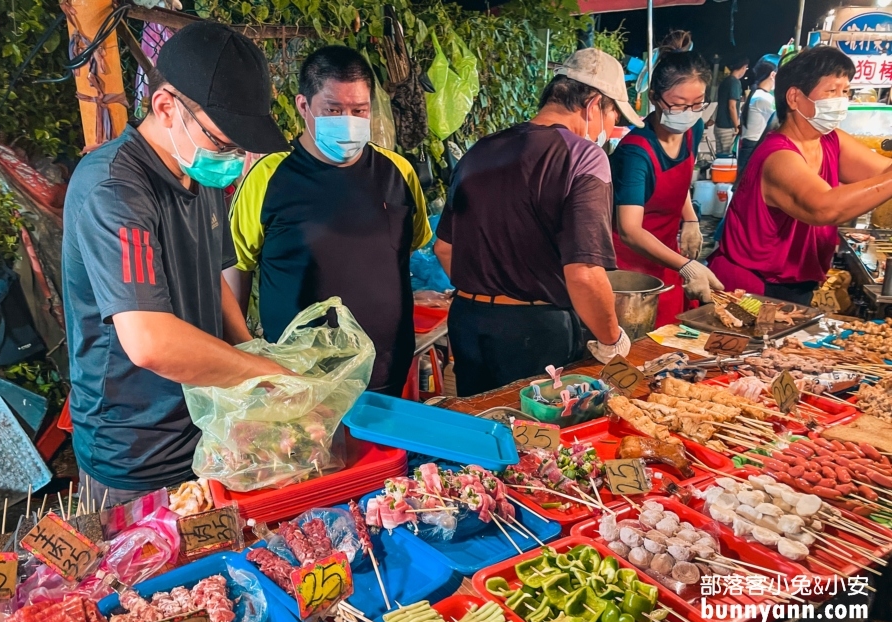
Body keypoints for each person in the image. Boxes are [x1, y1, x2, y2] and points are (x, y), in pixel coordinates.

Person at [62, 22, 291, 502]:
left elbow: (212, 279)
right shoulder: (115, 189)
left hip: (204, 427)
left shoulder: (199, 173)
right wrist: (260, 374)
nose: (233, 158)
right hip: (136, 449)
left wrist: (255, 355)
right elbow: (150, 342)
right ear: (166, 106)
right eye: (223, 141)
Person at [432, 48, 644, 397]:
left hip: (468, 325)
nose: (611, 128)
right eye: (613, 115)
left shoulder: (481, 150)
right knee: (540, 444)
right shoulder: (584, 157)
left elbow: (444, 248)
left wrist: (490, 290)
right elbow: (584, 274)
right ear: (593, 105)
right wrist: (612, 340)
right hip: (537, 335)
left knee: (484, 430)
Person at [230, 46, 431, 396]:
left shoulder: (398, 173)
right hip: (297, 380)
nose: (348, 121)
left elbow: (403, 252)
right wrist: (245, 356)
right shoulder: (268, 177)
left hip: (385, 372)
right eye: (334, 109)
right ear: (303, 106)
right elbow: (234, 269)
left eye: (359, 110)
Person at [711, 46, 892, 305]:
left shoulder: (831, 141)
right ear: (794, 98)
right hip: (749, 290)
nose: (841, 100)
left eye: (845, 91)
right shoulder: (778, 156)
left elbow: (882, 172)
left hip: (795, 286)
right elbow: (824, 208)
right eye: (832, 91)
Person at [610, 34, 722, 328]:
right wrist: (686, 266)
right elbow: (630, 230)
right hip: (631, 265)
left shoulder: (692, 129)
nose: (689, 113)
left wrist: (691, 219)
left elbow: (678, 179)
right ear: (655, 99)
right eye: (678, 104)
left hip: (667, 254)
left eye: (697, 104)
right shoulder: (636, 152)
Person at [738, 57, 778, 174]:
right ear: (772, 75)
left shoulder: (757, 94)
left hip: (750, 144)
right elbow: (782, 118)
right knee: (746, 183)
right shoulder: (763, 98)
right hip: (754, 145)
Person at [715, 56, 748, 156]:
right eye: (746, 68)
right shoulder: (735, 82)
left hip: (718, 127)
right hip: (727, 127)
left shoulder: (725, 81)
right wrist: (737, 127)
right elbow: (732, 106)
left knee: (720, 157)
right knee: (728, 158)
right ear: (743, 67)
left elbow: (721, 104)